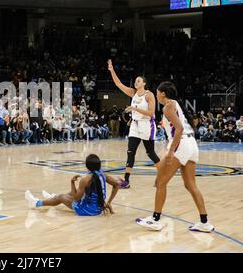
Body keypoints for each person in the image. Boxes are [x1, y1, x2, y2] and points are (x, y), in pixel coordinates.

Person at [136, 81, 214, 233]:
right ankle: (205, 222)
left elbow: (178, 128)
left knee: (160, 182)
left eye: (158, 92)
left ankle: (155, 220)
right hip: (191, 144)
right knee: (190, 185)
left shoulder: (167, 107)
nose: (156, 94)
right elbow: (178, 126)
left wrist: (171, 151)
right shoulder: (174, 104)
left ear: (163, 93)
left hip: (181, 145)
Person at [108, 59, 160, 189]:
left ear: (144, 83)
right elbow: (118, 83)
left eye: (138, 81)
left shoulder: (149, 95)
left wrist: (134, 109)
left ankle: (162, 174)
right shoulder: (133, 93)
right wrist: (112, 70)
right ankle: (126, 181)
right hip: (135, 126)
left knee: (150, 153)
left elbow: (151, 112)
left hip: (147, 125)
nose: (136, 82)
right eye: (135, 81)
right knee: (130, 152)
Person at [25, 154, 121, 215]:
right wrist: (109, 202)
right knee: (73, 192)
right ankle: (53, 198)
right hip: (98, 208)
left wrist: (72, 182)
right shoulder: (103, 174)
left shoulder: (86, 179)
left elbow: (76, 198)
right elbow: (117, 185)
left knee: (61, 197)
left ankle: (36, 203)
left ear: (87, 166)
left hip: (88, 210)